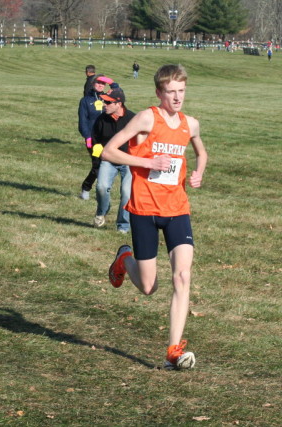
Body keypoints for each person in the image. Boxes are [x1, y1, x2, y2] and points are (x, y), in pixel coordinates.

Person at [102, 64, 208, 370]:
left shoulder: (191, 124)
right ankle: (125, 259)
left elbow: (201, 152)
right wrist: (146, 161)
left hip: (177, 208)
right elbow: (109, 151)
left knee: (183, 276)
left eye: (181, 91)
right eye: (171, 92)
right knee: (149, 287)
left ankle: (173, 350)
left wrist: (198, 173)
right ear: (159, 93)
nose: (177, 98)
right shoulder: (147, 117)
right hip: (145, 209)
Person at [92, 87, 134, 233]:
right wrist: (97, 161)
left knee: (127, 193)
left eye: (108, 102)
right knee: (101, 187)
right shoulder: (101, 119)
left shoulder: (132, 119)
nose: (104, 104)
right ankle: (102, 210)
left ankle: (123, 225)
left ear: (119, 103)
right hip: (108, 160)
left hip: (128, 161)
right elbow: (95, 141)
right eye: (104, 101)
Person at [77, 74, 113, 200]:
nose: (100, 85)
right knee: (98, 164)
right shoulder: (86, 100)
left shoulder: (107, 98)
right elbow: (83, 121)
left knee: (107, 164)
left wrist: (112, 83)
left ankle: (101, 189)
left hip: (108, 138)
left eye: (103, 83)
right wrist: (87, 137)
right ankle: (87, 189)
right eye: (98, 82)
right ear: (93, 84)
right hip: (94, 140)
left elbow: (120, 95)